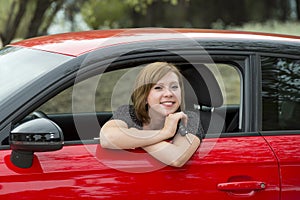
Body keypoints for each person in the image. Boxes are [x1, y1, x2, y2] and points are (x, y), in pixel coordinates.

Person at [100, 62, 203, 167]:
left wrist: (132, 136)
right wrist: (164, 133)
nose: (169, 93)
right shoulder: (129, 112)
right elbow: (108, 138)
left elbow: (176, 158)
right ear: (144, 95)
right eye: (158, 88)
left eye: (174, 87)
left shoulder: (188, 118)